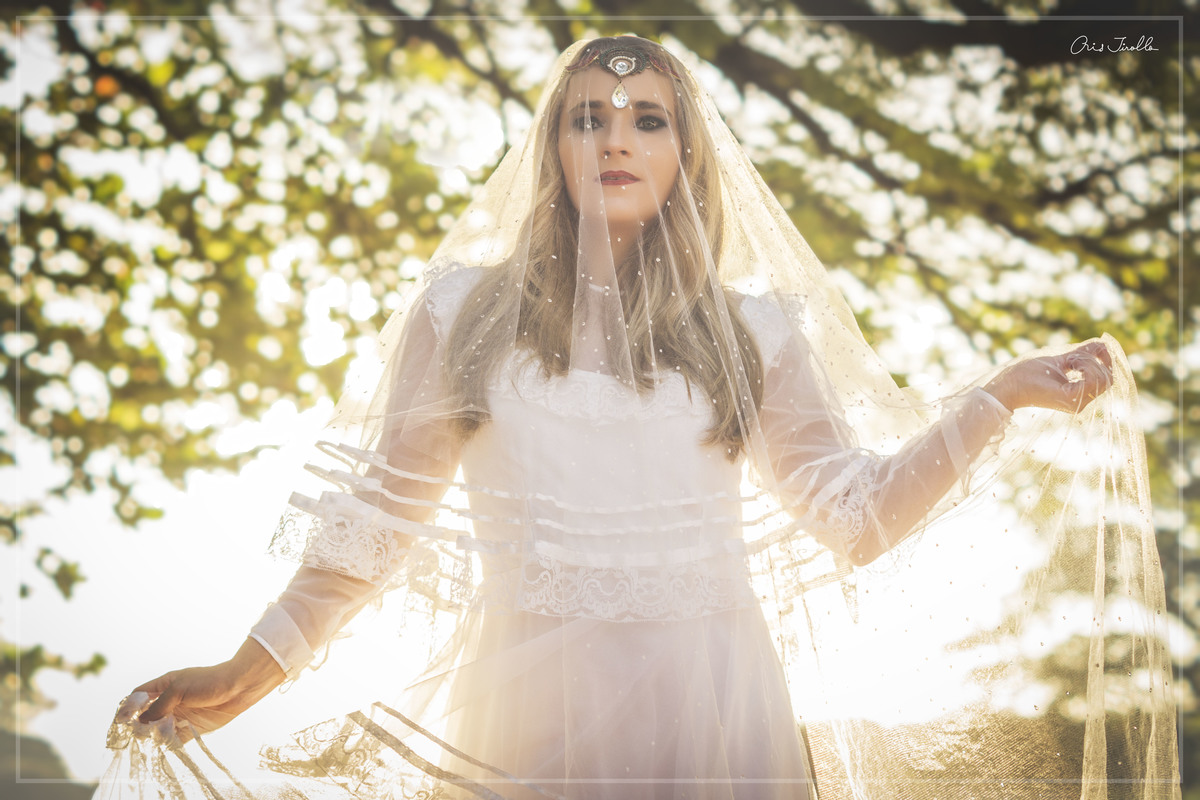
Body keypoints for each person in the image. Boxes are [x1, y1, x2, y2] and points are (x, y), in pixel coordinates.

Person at [101, 36, 1178, 800]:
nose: (616, 138)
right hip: (525, 706)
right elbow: (374, 531)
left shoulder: (755, 331)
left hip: (720, 710)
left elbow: (858, 518)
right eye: (590, 117)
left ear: (684, 156)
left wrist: (998, 397)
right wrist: (244, 670)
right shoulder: (459, 313)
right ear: (555, 147)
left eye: (647, 119)